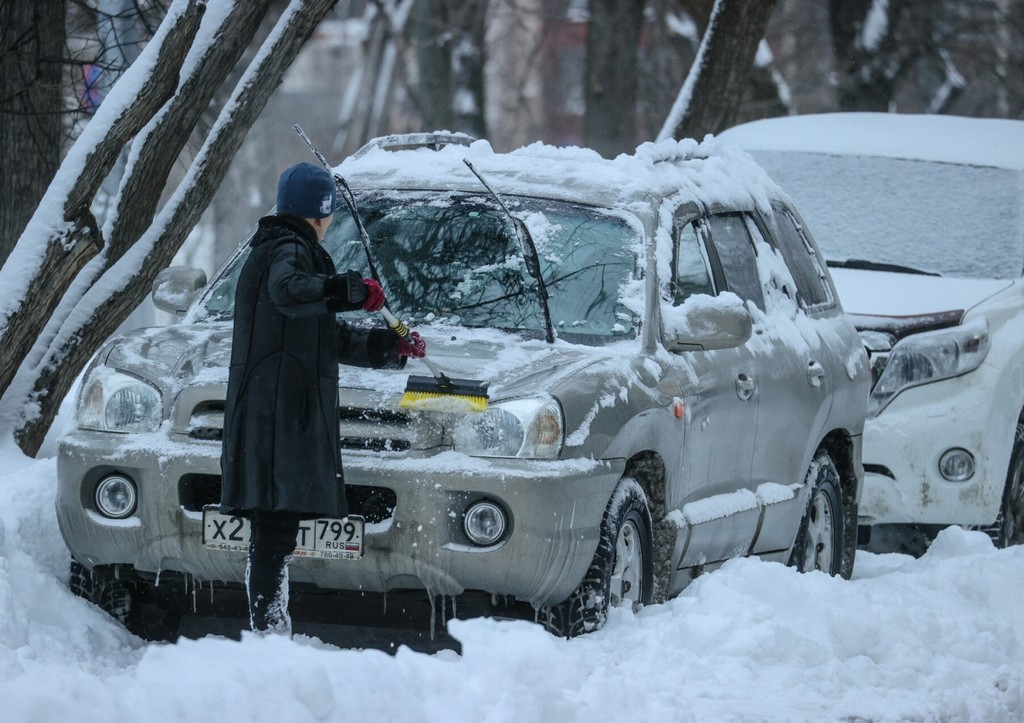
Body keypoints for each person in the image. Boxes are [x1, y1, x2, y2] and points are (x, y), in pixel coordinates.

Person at [220, 161, 426, 635]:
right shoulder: (286, 251)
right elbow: (290, 292)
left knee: (277, 529)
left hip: (275, 414)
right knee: (274, 530)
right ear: (321, 213)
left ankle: (271, 628)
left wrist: (386, 346)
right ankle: (268, 633)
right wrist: (351, 290)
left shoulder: (278, 251)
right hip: (278, 415)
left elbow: (324, 337)